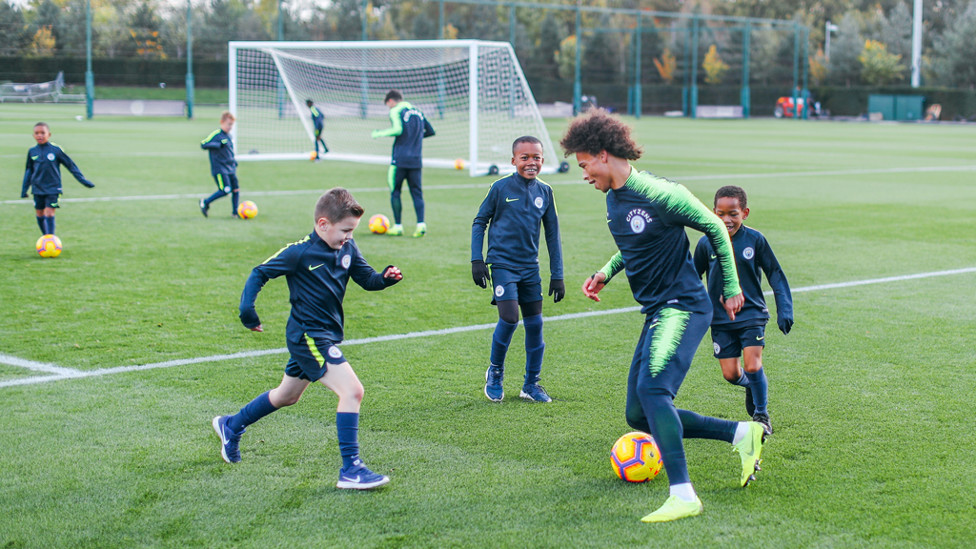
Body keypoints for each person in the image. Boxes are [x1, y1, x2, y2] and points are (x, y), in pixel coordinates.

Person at [560, 109, 765, 523]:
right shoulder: (615, 200)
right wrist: (606, 272)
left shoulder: (660, 192)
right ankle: (742, 433)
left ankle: (684, 494)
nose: (583, 175)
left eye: (584, 165)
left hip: (683, 306)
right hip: (657, 311)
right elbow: (637, 245)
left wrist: (730, 286)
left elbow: (713, 225)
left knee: (655, 393)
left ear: (602, 155)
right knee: (638, 414)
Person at [212, 187, 403, 490]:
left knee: (286, 396)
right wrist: (248, 311)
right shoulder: (299, 252)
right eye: (345, 231)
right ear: (323, 224)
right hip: (308, 337)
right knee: (352, 391)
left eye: (352, 231)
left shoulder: (348, 249)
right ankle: (351, 468)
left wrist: (385, 278)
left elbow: (367, 280)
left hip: (325, 335)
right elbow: (259, 272)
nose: (349, 237)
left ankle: (231, 425)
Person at [693, 185, 793, 436]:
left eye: (733, 214)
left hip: (752, 314)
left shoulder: (755, 240)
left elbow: (775, 274)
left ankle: (761, 415)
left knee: (752, 364)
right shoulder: (706, 243)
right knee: (730, 374)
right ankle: (751, 385)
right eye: (721, 213)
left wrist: (785, 309)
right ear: (713, 213)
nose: (727, 219)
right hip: (720, 319)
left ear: (745, 213)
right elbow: (693, 279)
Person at [471, 136, 565, 403]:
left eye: (536, 157)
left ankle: (531, 384)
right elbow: (480, 222)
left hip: (529, 268)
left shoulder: (545, 192)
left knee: (535, 324)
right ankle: (495, 372)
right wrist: (476, 260)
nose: (531, 162)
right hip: (502, 265)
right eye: (524, 158)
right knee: (511, 318)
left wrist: (557, 275)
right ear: (513, 161)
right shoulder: (500, 188)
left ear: (543, 160)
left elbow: (552, 235)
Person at [371, 90, 435, 238]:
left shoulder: (396, 111)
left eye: (388, 105)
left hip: (399, 160)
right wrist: (415, 138)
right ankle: (421, 224)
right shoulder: (418, 112)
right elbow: (431, 131)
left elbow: (398, 129)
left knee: (395, 192)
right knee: (417, 193)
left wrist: (379, 133)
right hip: (416, 160)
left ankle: (398, 226)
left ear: (391, 101)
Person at [21, 122, 95, 235]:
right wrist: (24, 189)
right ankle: (46, 238)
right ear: (33, 135)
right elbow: (29, 171)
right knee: (40, 213)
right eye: (37, 133)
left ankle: (50, 239)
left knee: (49, 213)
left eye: (42, 133)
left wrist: (83, 180)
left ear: (49, 134)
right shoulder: (32, 151)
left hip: (53, 188)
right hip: (37, 188)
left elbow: (71, 165)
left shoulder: (56, 150)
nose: (39, 135)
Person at [199, 111, 240, 218]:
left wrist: (234, 161)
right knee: (225, 190)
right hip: (220, 168)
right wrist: (218, 144)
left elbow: (229, 151)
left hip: (230, 167)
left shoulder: (229, 136)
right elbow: (203, 144)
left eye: (232, 125)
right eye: (229, 124)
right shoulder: (216, 134)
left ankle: (235, 212)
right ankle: (205, 202)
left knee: (236, 189)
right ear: (222, 122)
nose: (230, 127)